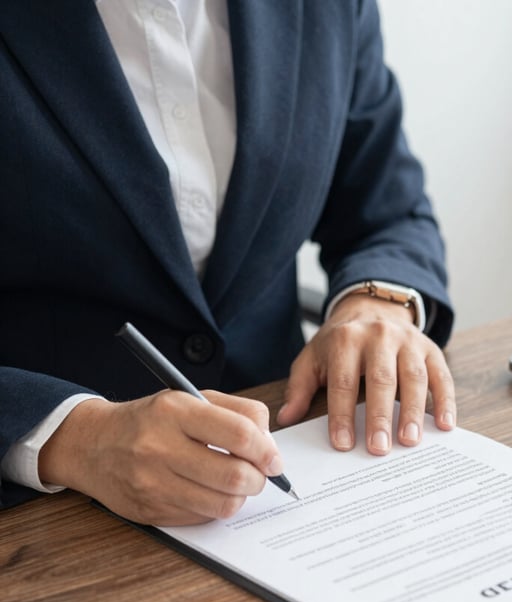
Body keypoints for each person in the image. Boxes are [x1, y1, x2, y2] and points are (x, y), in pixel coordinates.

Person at [0, 0, 455, 524]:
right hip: (47, 520)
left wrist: (377, 303)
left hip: (287, 450)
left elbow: (386, 207)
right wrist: (74, 439)